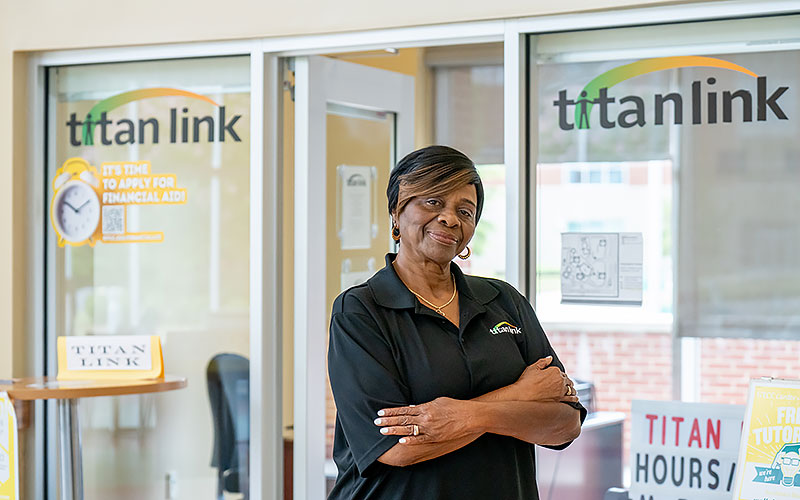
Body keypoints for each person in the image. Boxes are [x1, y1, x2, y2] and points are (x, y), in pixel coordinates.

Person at [327, 145, 586, 500]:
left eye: (465, 211)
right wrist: (519, 397)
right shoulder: (361, 311)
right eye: (432, 202)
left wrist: (465, 416)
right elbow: (396, 448)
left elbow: (566, 423)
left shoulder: (503, 300)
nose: (450, 218)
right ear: (396, 211)